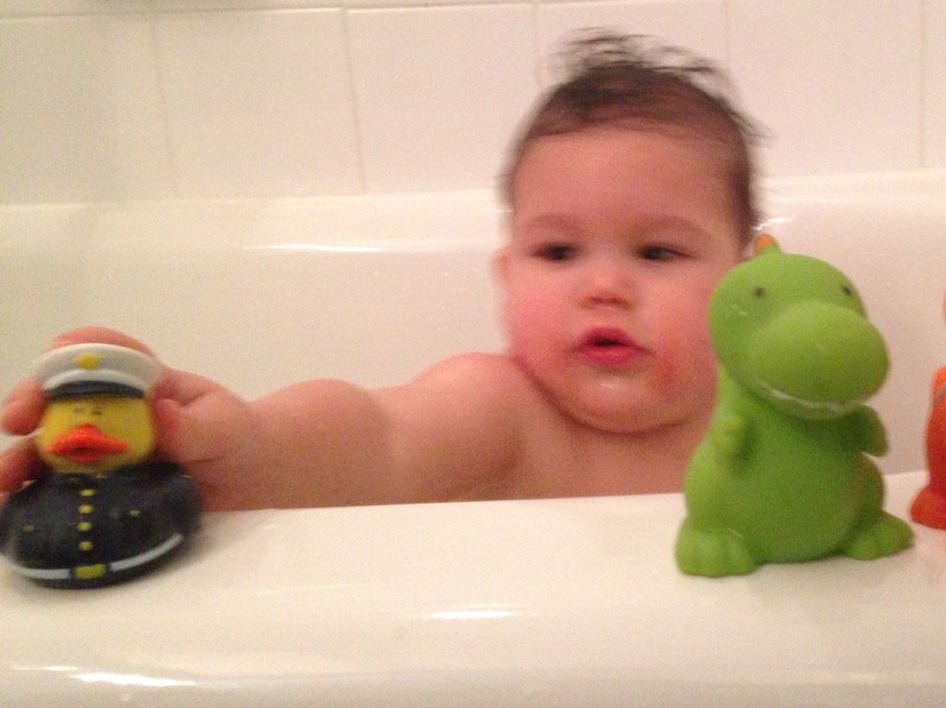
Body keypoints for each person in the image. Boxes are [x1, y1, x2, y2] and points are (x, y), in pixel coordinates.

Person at [0, 32, 762, 510]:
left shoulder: (773, 409)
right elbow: (376, 438)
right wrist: (249, 446)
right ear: (506, 275)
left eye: (657, 252)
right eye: (557, 252)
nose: (602, 288)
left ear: (750, 280)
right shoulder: (505, 413)